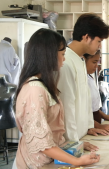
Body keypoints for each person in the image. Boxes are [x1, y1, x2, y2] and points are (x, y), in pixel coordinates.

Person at [13, 28, 100, 169]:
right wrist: (76, 161)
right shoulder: (35, 89)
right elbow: (42, 143)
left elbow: (54, 133)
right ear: (49, 55)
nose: (64, 59)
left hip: (51, 158)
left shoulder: (43, 85)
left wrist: (75, 146)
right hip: (36, 163)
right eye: (62, 54)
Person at [57, 13, 109, 144]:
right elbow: (66, 109)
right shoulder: (66, 62)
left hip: (82, 136)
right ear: (86, 37)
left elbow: (85, 100)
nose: (100, 46)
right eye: (99, 41)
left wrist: (89, 127)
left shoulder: (80, 60)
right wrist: (74, 144)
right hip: (71, 141)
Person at [83, 50, 109, 133]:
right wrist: (99, 126)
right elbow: (82, 112)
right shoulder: (81, 80)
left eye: (98, 62)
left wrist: (105, 116)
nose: (96, 66)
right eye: (94, 62)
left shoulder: (90, 77)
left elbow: (93, 106)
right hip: (88, 124)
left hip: (95, 121)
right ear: (83, 59)